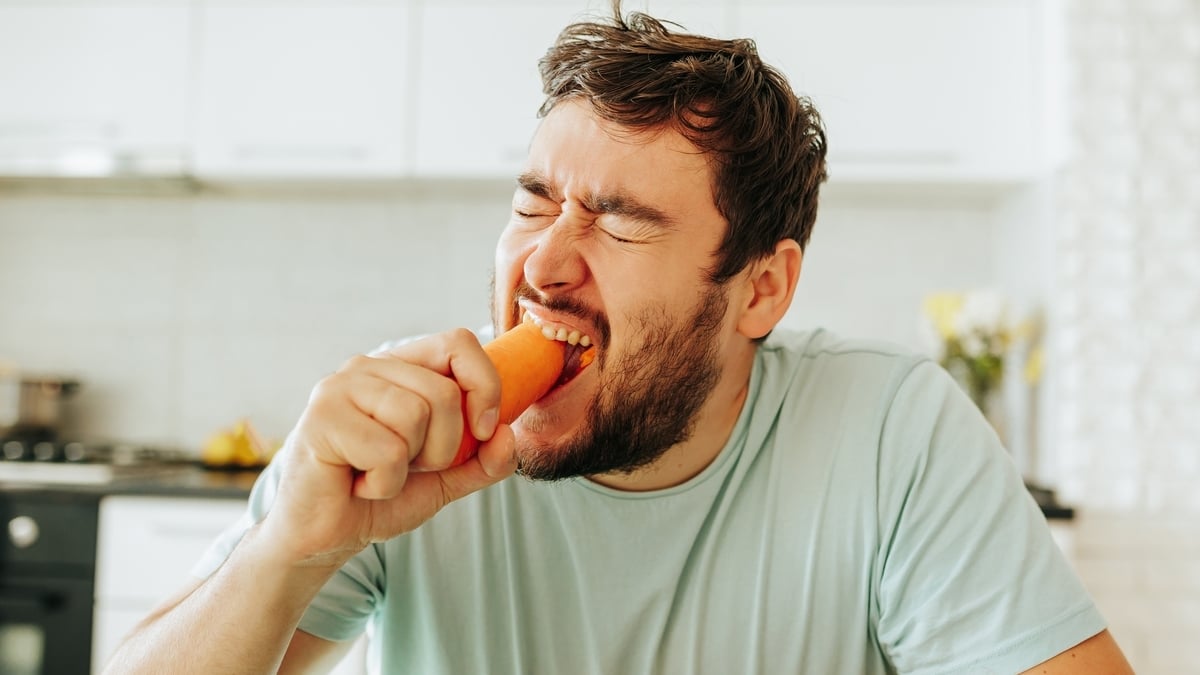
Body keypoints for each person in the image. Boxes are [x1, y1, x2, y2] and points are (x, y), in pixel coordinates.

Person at [106, 3, 1134, 674]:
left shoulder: (889, 431)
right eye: (534, 200)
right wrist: (291, 547)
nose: (545, 262)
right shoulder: (402, 431)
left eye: (622, 218)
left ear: (761, 289)